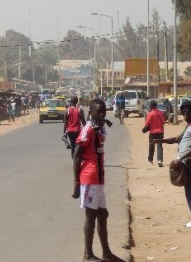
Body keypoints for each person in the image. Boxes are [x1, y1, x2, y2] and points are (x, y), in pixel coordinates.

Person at [72, 99, 121, 262]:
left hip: (99, 178)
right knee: (91, 214)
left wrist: (102, 125)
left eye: (104, 111)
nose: (101, 114)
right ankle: (88, 255)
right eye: (98, 111)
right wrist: (76, 183)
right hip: (89, 177)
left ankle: (106, 252)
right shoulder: (87, 129)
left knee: (103, 214)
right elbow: (76, 156)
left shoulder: (99, 129)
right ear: (90, 112)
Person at [153, 100, 191, 228]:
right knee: (189, 190)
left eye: (188, 111)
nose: (185, 113)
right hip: (185, 161)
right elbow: (177, 139)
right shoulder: (189, 125)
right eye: (184, 111)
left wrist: (180, 158)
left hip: (189, 162)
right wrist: (161, 140)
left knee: (190, 191)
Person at [142, 100, 165, 167]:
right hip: (160, 131)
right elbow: (163, 122)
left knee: (151, 146)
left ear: (151, 106)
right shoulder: (161, 113)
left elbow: (146, 123)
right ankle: (160, 160)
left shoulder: (150, 113)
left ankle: (150, 160)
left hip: (153, 132)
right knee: (159, 146)